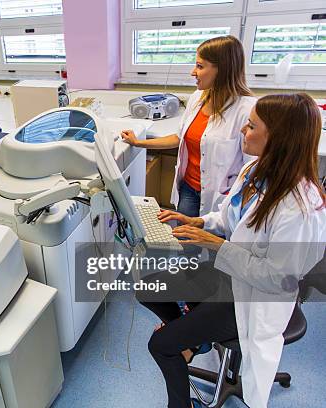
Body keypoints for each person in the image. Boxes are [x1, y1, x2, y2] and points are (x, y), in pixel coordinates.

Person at [148, 93, 326, 408]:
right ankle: (196, 339)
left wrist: (220, 246)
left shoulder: (300, 208)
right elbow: (233, 217)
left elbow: (279, 278)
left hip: (255, 299)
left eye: (252, 126)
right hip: (229, 276)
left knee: (161, 344)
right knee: (148, 286)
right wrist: (199, 220)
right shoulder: (254, 171)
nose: (243, 130)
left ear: (278, 138)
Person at [121, 35, 256, 217]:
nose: (193, 72)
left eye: (200, 66)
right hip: (188, 190)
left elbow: (253, 166)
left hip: (222, 197)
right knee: (186, 239)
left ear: (222, 70)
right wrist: (138, 143)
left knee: (213, 241)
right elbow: (178, 138)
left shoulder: (247, 110)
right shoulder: (197, 98)